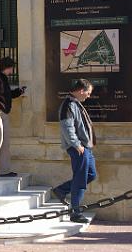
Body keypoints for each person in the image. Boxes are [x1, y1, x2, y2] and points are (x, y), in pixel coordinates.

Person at [52, 78, 97, 223]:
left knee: (91, 175)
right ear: (81, 90)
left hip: (85, 148)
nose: (88, 96)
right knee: (80, 179)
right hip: (78, 148)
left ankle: (62, 190)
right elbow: (67, 128)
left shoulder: (75, 104)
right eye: (88, 93)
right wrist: (77, 145)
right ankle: (75, 212)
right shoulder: (68, 105)